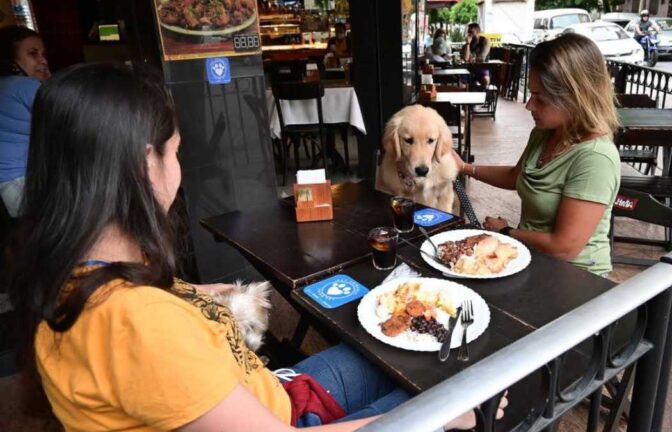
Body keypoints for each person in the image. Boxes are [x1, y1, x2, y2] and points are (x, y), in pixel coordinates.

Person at [12, 62, 506, 431]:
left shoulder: (73, 272)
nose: (179, 171)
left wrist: (200, 292)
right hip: (288, 416)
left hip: (267, 387)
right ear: (146, 164)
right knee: (468, 396)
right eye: (177, 152)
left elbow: (152, 324)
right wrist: (441, 416)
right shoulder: (136, 325)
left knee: (407, 352)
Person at [453, 33, 620, 276]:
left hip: (575, 277)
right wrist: (464, 168)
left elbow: (564, 249)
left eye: (539, 98)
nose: (529, 105)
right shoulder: (545, 133)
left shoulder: (595, 159)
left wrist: (505, 232)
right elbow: (516, 176)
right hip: (530, 257)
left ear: (575, 97)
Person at [0, 26, 49, 217]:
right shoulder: (27, 87)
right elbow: (65, 125)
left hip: (7, 187)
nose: (43, 60)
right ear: (10, 59)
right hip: (26, 182)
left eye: (43, 54)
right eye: (33, 54)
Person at [461, 23, 490, 87]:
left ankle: (484, 95)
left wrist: (472, 58)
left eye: (471, 32)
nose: (469, 34)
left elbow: (482, 57)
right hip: (470, 68)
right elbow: (466, 58)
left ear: (478, 31)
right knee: (461, 83)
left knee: (486, 80)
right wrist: (468, 44)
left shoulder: (485, 41)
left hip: (482, 68)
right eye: (468, 32)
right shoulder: (468, 43)